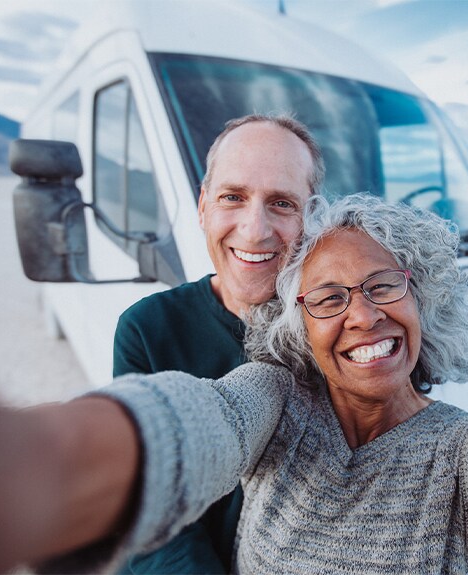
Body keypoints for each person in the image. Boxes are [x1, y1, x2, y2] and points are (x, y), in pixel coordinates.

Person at [0, 194, 468, 574]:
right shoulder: (276, 398)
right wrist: (39, 462)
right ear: (301, 328)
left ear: (420, 298)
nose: (363, 316)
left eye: (382, 285)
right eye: (327, 298)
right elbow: (196, 424)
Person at [112, 112, 324, 573]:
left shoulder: (339, 330)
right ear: (204, 204)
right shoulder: (148, 328)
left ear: (312, 216)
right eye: (233, 197)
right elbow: (148, 510)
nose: (254, 229)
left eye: (282, 203)